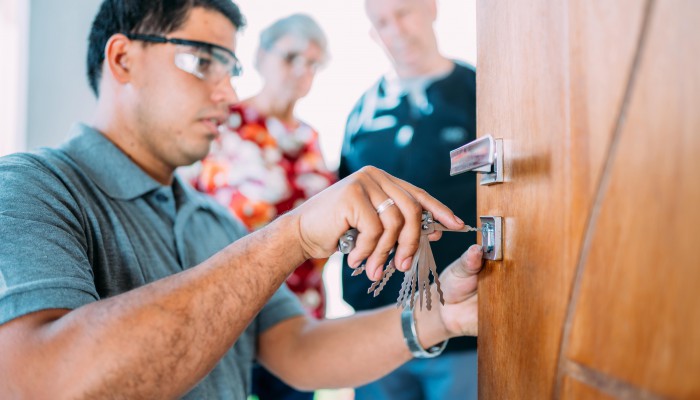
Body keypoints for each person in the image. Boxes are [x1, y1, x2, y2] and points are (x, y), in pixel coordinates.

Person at [0, 1, 483, 399]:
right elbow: (45, 382)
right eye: (201, 61)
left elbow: (297, 347)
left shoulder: (216, 222)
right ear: (123, 59)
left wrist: (440, 314)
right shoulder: (30, 189)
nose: (228, 92)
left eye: (230, 68)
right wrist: (293, 233)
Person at [184, 13, 335, 400]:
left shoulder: (310, 138)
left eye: (312, 63)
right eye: (291, 57)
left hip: (302, 315)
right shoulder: (221, 124)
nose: (301, 70)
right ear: (262, 56)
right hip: (231, 315)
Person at [338, 0, 479, 398]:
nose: (396, 29)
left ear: (431, 9)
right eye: (382, 21)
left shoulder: (481, 91)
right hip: (376, 328)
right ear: (372, 32)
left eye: (404, 12)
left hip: (460, 330)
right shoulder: (361, 113)